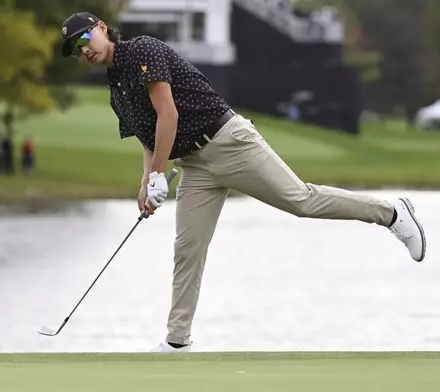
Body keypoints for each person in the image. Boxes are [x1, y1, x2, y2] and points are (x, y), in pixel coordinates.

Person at [58, 12, 427, 353]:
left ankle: (392, 213)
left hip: (230, 142)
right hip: (196, 167)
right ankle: (177, 342)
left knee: (300, 200)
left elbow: (166, 113)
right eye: (76, 48)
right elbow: (150, 138)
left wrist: (157, 175)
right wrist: (145, 182)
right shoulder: (116, 89)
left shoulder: (143, 49)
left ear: (103, 28)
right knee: (188, 248)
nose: (84, 49)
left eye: (85, 37)